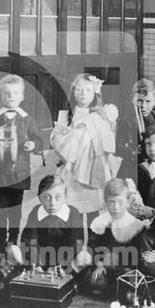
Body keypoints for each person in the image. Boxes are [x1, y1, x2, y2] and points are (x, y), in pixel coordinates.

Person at [0, 74, 43, 246]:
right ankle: (0, 241)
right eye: (7, 93)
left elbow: (38, 140)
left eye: (15, 93)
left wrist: (32, 144)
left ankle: (13, 240)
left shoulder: (27, 120)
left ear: (21, 97)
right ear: (0, 97)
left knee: (15, 208)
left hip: (18, 172)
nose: (11, 96)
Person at [51, 73, 121, 213]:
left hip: (93, 166)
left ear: (95, 93)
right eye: (79, 90)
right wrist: (74, 137)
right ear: (73, 92)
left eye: (88, 90)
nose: (83, 94)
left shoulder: (100, 115)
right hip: (72, 168)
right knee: (72, 205)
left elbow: (107, 141)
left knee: (92, 206)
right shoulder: (66, 115)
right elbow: (56, 139)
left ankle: (93, 231)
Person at [16, 175, 91, 272]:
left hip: (65, 259)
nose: (52, 203)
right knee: (13, 250)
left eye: (58, 197)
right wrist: (37, 264)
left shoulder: (72, 213)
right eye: (46, 197)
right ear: (39, 198)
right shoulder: (36, 212)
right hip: (41, 258)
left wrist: (57, 265)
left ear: (65, 198)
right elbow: (29, 240)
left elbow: (75, 243)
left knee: (85, 257)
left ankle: (73, 282)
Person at [88, 178, 149, 297]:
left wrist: (130, 268)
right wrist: (99, 264)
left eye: (120, 202)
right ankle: (112, 289)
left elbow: (138, 252)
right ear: (106, 202)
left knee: (132, 284)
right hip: (106, 266)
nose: (115, 207)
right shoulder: (102, 222)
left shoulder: (135, 225)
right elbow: (95, 245)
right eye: (111, 202)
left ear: (127, 202)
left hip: (126, 268)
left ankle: (122, 291)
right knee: (97, 283)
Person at [117, 78, 155, 182]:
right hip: (133, 168)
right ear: (133, 100)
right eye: (140, 101)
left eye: (148, 101)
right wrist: (132, 151)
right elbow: (117, 146)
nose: (143, 106)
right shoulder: (124, 122)